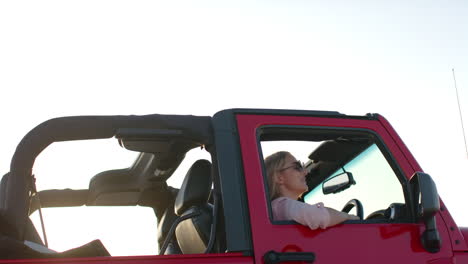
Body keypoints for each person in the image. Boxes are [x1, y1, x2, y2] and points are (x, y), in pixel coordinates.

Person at [265, 151, 359, 230]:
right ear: (279, 177)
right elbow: (319, 216)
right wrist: (348, 217)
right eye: (297, 167)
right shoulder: (282, 206)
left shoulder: (277, 208)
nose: (306, 172)